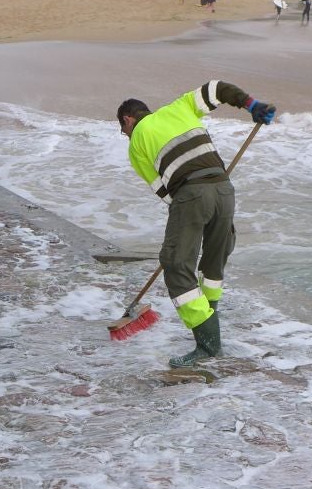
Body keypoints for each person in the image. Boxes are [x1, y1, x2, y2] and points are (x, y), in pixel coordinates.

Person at [116, 82, 276, 367]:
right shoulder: (180, 107)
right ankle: (210, 320)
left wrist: (185, 218)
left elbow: (163, 190)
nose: (125, 135)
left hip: (191, 194)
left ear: (128, 120)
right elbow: (217, 89)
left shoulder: (136, 142)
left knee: (176, 263)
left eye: (123, 130)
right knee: (213, 262)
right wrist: (252, 105)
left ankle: (208, 345)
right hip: (224, 189)